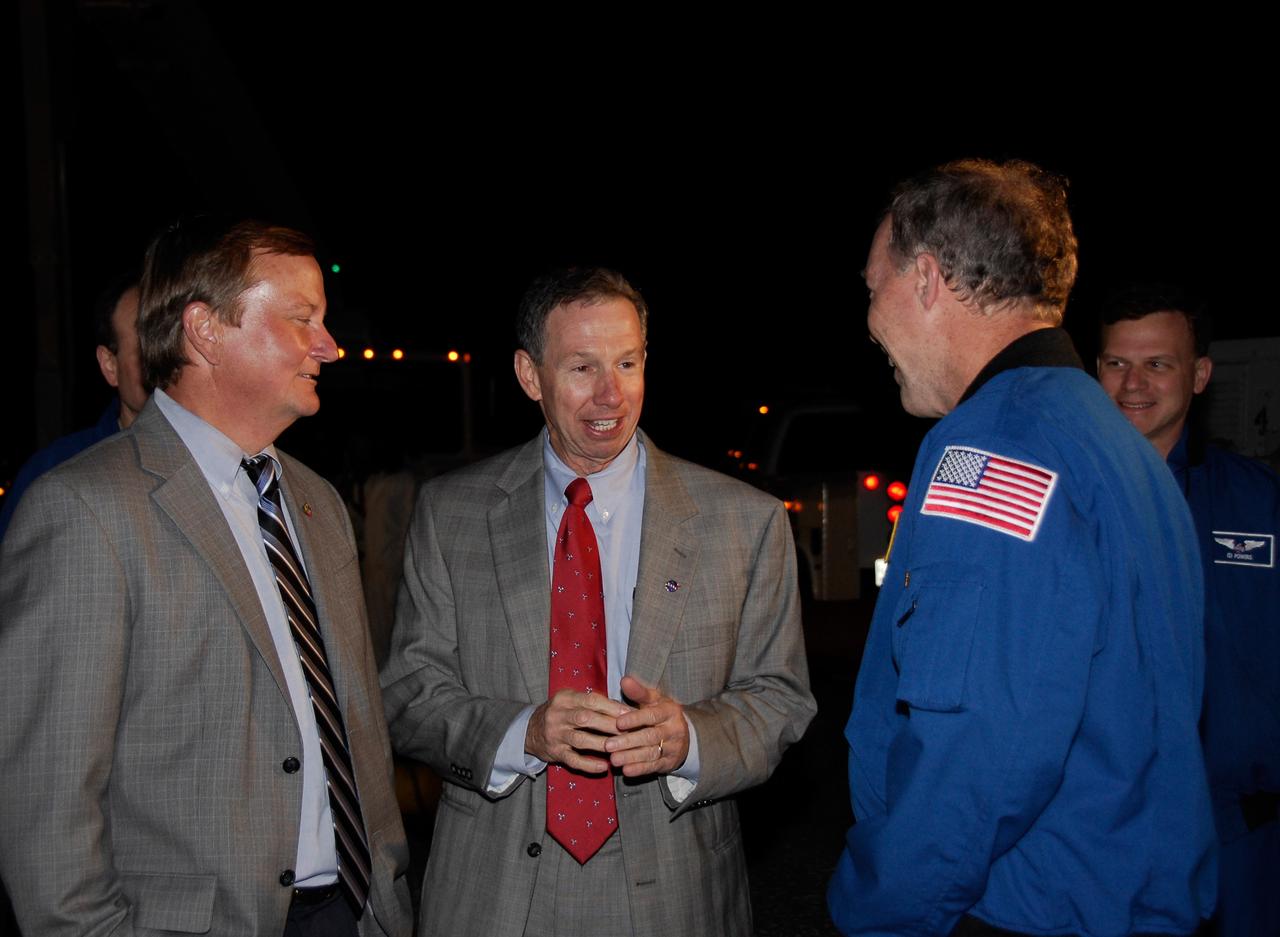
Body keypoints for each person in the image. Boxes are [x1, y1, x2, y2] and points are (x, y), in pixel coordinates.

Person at [826, 160, 1217, 936]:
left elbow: (974, 753)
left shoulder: (997, 448)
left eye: (875, 288)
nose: (870, 319)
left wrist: (879, 907)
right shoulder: (1122, 449)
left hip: (1022, 908)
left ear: (928, 279)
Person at [0, 217, 413, 937]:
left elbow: (357, 733)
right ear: (205, 330)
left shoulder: (315, 502)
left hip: (351, 914)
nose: (329, 345)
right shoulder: (83, 510)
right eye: (301, 319)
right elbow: (48, 813)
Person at [381, 266, 816, 937]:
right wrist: (522, 731)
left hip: (676, 889)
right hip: (493, 893)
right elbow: (409, 694)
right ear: (531, 376)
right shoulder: (452, 514)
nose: (610, 393)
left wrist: (692, 738)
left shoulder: (745, 521)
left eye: (628, 362)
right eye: (583, 366)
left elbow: (781, 697)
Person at [1099, 287, 1279, 937]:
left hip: (1244, 839)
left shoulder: (1257, 505)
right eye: (1116, 363)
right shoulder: (1065, 502)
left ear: (1200, 374)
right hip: (1108, 831)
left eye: (1158, 364)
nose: (1133, 383)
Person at [0, 273, 148, 541]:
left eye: (173, 337)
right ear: (109, 365)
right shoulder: (51, 474)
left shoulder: (222, 462)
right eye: (145, 344)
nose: (164, 355)